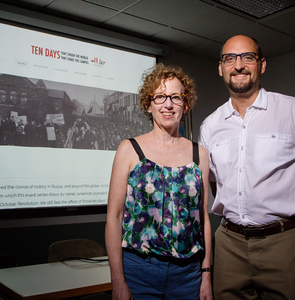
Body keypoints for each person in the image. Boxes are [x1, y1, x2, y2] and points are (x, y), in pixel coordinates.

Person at [199, 35, 295, 300]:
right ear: (221, 68)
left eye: (247, 57)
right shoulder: (210, 125)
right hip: (229, 245)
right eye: (230, 58)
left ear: (261, 65)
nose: (238, 65)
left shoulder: (290, 110)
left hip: (284, 242)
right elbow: (215, 183)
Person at [105, 63, 213, 300]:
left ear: (185, 104)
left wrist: (206, 275)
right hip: (139, 271)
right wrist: (118, 281)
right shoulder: (129, 149)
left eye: (176, 96)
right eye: (160, 96)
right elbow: (113, 217)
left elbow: (203, 219)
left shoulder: (199, 154)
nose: (168, 104)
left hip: (188, 275)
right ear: (148, 103)